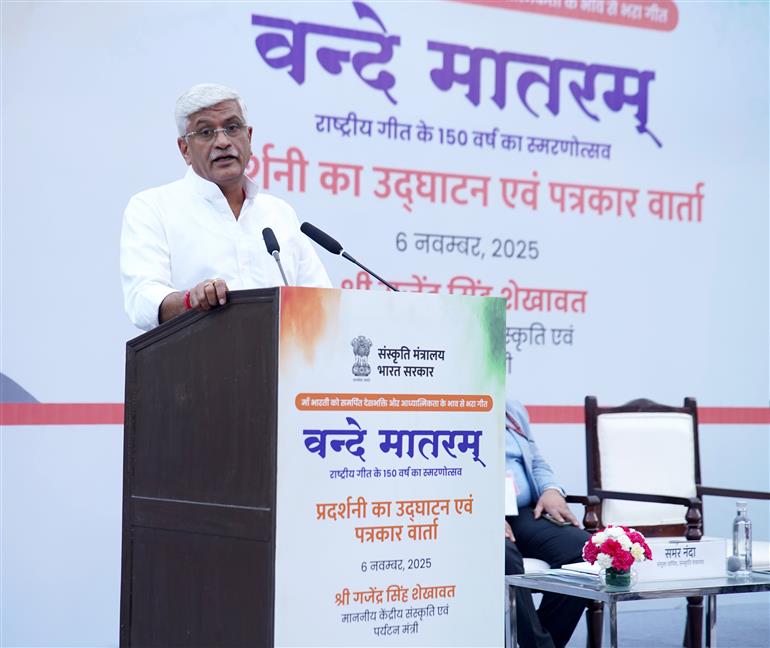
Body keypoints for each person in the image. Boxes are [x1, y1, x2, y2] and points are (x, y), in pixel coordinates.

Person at [120, 83, 331, 331]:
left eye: (232, 128)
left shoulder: (279, 213)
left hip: (281, 364)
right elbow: (141, 299)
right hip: (197, 362)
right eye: (206, 132)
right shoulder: (152, 207)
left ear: (249, 137)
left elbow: (322, 301)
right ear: (184, 149)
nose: (222, 142)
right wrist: (191, 300)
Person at [505, 399, 589, 648]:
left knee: (582, 551)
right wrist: (483, 513)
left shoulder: (512, 409)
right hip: (471, 509)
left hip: (521, 511)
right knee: (504, 556)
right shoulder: (449, 406)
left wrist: (551, 490)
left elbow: (537, 461)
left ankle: (542, 643)